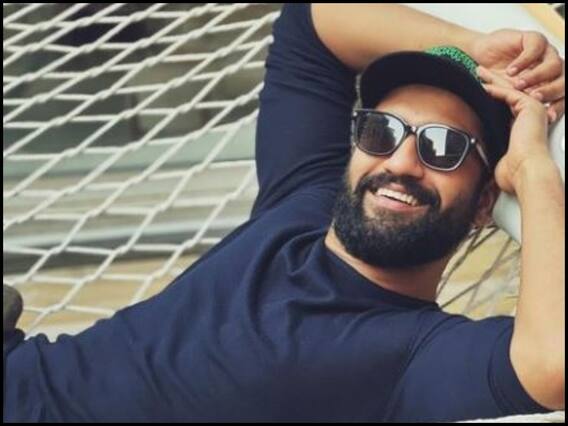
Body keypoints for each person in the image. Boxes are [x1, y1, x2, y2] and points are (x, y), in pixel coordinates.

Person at [3, 3, 565, 422]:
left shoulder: (415, 355)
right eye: (380, 130)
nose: (400, 160)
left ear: (484, 203)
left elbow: (554, 362)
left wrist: (534, 169)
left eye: (443, 147)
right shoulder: (301, 200)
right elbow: (310, 22)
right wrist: (472, 47)